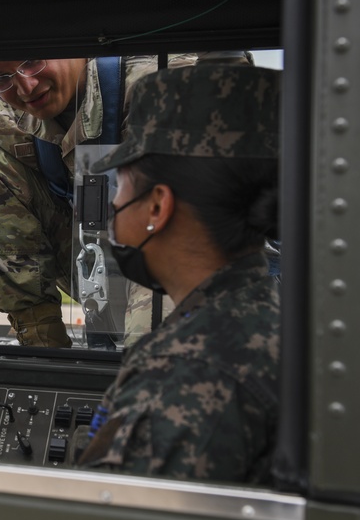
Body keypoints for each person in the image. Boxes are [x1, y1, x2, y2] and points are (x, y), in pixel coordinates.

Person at [70, 63, 281, 484]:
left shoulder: (185, 371)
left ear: (156, 207)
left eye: (123, 186)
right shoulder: (271, 314)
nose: (114, 205)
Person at [0, 56, 185, 347]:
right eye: (1, 79)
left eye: (33, 61)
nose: (26, 87)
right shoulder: (9, 117)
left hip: (173, 269)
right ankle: (44, 351)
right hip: (97, 264)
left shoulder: (158, 89)